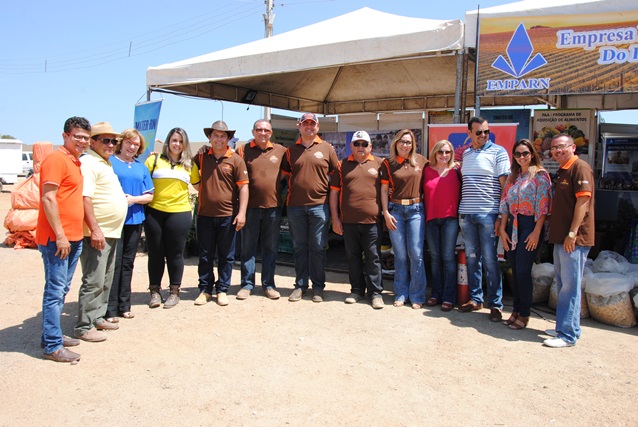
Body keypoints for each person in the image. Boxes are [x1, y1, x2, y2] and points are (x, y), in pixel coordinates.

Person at [37, 117, 91, 362]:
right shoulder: (56, 160)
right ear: (65, 136)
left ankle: (52, 335)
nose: (82, 141)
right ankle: (52, 345)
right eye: (77, 136)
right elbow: (48, 198)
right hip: (57, 239)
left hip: (72, 237)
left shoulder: (74, 162)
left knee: (61, 289)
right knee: (55, 291)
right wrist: (60, 236)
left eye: (86, 138)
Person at [74, 122, 128, 342]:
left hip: (111, 231)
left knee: (106, 278)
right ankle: (84, 326)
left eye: (114, 141)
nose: (111, 144)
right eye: (106, 140)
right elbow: (85, 198)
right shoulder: (88, 163)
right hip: (97, 232)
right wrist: (95, 229)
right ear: (92, 142)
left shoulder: (105, 163)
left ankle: (97, 317)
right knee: (94, 279)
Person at [281, 113, 339, 303]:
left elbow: (336, 175)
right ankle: (300, 286)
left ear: (317, 127)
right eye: (305, 123)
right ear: (299, 126)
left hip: (320, 206)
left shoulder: (327, 148)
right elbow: (281, 176)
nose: (308, 127)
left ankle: (318, 288)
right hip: (295, 207)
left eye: (312, 124)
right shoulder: (290, 151)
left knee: (318, 248)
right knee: (299, 247)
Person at [544, 134, 595, 348]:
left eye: (562, 146)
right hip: (562, 237)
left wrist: (572, 233)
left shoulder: (580, 168)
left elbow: (583, 202)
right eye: (554, 148)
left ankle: (567, 335)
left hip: (574, 239)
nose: (558, 151)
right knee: (563, 284)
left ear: (573, 147)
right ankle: (567, 327)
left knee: (569, 288)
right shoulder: (564, 169)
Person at [458, 116, 510, 322]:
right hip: (467, 214)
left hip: (489, 214)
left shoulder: (499, 152)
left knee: (490, 260)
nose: (483, 135)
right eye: (478, 132)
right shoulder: (466, 153)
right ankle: (475, 299)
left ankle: (496, 304)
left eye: (486, 131)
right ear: (469, 133)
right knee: (472, 259)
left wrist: (501, 216)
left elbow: (505, 187)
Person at [192, 120, 248, 307]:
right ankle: (205, 290)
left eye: (222, 136)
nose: (218, 139)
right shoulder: (201, 156)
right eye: (215, 135)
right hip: (205, 215)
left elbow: (244, 188)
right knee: (205, 255)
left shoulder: (236, 160)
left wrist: (242, 213)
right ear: (209, 137)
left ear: (228, 138)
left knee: (226, 255)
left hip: (228, 216)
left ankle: (222, 289)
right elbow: (186, 167)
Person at [329, 130, 385, 309]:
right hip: (349, 221)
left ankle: (375, 293)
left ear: (370, 146)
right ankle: (357, 290)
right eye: (357, 144)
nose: (360, 147)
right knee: (352, 257)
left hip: (372, 221)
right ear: (351, 146)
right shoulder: (342, 165)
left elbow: (387, 190)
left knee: (373, 257)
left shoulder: (380, 164)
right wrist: (335, 219)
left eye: (364, 144)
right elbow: (334, 193)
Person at [499, 139, 551, 330]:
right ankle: (516, 310)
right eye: (518, 154)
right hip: (513, 225)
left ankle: (525, 313)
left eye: (525, 153)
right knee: (514, 269)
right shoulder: (513, 176)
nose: (522, 157)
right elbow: (505, 203)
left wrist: (536, 232)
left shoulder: (540, 175)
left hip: (530, 225)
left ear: (532, 154)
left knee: (523, 270)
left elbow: (543, 206)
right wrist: (502, 230)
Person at [144, 128, 198, 309]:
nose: (177, 144)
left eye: (181, 141)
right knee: (155, 253)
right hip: (154, 212)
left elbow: (200, 186)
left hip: (179, 213)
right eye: (174, 140)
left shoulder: (190, 165)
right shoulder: (153, 160)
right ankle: (154, 291)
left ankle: (174, 292)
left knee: (176, 254)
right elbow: (141, 181)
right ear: (168, 142)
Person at [105, 129, 154, 322]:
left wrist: (133, 199)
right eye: (129, 143)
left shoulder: (141, 167)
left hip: (134, 220)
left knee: (127, 263)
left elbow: (149, 196)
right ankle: (110, 309)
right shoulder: (110, 163)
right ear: (121, 143)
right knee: (114, 264)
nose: (132, 147)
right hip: (114, 220)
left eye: (136, 144)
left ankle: (124, 305)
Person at [235, 119, 286, 300]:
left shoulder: (281, 151)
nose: (262, 133)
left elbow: (289, 170)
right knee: (247, 248)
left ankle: (268, 285)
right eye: (259, 129)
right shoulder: (242, 150)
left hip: (273, 207)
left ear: (271, 133)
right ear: (253, 131)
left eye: (266, 130)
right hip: (249, 207)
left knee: (270, 248)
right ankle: (247, 284)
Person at [380, 129, 428, 309]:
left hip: (416, 210)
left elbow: (440, 168)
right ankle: (400, 293)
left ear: (413, 145)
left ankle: (417, 295)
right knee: (400, 255)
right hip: (396, 211)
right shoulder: (388, 163)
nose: (405, 145)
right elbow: (384, 190)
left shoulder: (421, 161)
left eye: (408, 142)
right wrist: (386, 212)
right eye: (402, 141)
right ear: (396, 143)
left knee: (416, 254)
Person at [423, 140, 461, 312]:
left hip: (450, 219)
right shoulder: (426, 170)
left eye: (447, 152)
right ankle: (436, 294)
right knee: (435, 258)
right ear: (435, 153)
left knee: (448, 258)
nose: (444, 155)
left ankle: (449, 296)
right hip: (431, 219)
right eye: (440, 152)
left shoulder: (457, 170)